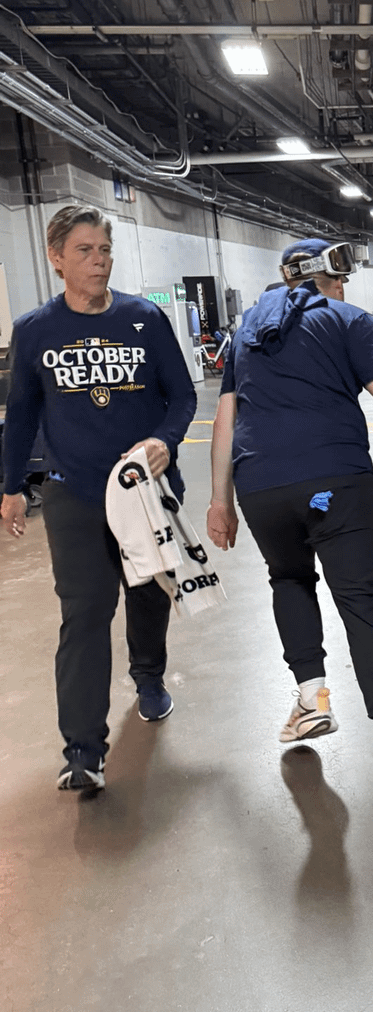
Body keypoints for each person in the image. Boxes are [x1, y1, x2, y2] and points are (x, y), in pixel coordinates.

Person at [205, 238, 373, 786]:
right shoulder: (349, 321)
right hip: (335, 484)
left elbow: (226, 418)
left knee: (289, 579)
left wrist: (220, 501)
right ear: (328, 276)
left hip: (261, 488)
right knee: (362, 604)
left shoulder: (245, 334)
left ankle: (312, 700)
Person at [1, 204, 197, 791]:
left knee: (148, 593)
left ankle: (148, 677)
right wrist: (11, 486)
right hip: (75, 496)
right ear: (56, 258)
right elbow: (21, 418)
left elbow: (182, 396)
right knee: (84, 613)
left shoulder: (144, 319)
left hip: (143, 493)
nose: (99, 260)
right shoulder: (36, 330)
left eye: (105, 250)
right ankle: (83, 750)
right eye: (85, 250)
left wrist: (164, 441)